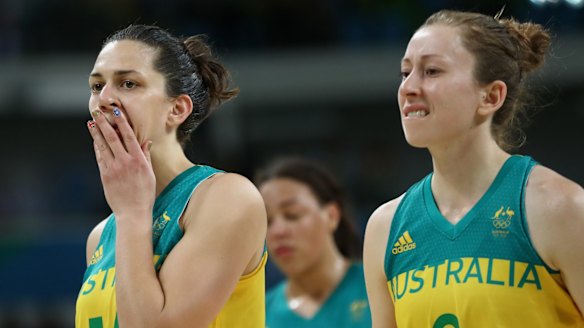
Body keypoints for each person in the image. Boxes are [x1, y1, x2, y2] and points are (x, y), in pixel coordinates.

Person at [363, 9, 584, 328]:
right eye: (405, 72)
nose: (408, 88)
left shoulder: (560, 208)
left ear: (491, 96)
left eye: (432, 71)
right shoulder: (385, 228)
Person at [75, 24, 267, 328]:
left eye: (128, 84)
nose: (104, 99)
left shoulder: (227, 198)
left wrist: (133, 213)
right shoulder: (101, 235)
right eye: (97, 86)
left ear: (177, 109)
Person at [255, 157, 371, 328]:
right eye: (267, 221)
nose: (278, 231)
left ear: (331, 215)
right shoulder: (259, 315)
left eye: (292, 214)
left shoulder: (382, 287)